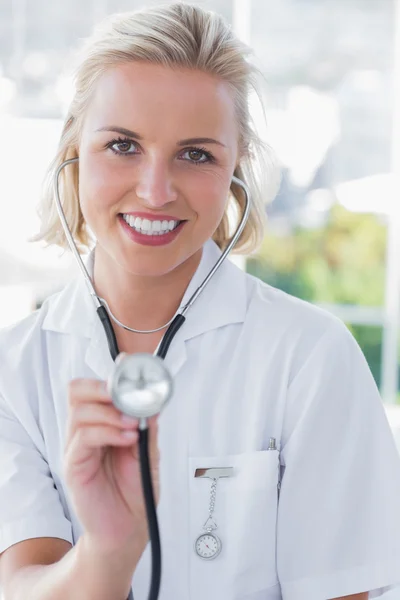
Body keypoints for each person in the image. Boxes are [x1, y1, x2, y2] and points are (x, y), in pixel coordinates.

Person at [0, 3, 399, 600]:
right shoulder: (15, 370)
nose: (155, 191)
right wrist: (109, 552)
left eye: (195, 154)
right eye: (123, 145)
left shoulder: (310, 358)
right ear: (72, 154)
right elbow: (21, 583)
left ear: (236, 172)